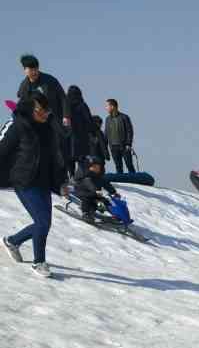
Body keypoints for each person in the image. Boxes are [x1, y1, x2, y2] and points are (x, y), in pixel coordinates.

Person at [1, 93, 67, 278]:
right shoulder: (17, 126)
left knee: (44, 223)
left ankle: (12, 241)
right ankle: (39, 262)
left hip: (44, 181)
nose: (45, 114)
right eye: (41, 110)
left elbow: (56, 158)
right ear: (30, 108)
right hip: (24, 181)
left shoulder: (48, 129)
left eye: (47, 110)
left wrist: (61, 181)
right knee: (43, 222)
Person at [17, 54, 70, 127]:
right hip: (37, 124)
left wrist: (66, 116)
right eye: (31, 70)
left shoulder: (50, 80)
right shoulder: (23, 87)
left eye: (36, 69)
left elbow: (62, 97)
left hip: (55, 119)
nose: (34, 72)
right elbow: (23, 106)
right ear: (25, 70)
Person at [72, 156, 119, 222]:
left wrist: (114, 192)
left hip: (95, 194)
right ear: (90, 167)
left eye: (98, 167)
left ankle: (115, 214)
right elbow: (89, 184)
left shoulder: (99, 177)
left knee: (104, 201)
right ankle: (86, 214)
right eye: (94, 167)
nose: (97, 168)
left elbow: (106, 184)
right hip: (82, 193)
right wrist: (96, 191)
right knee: (87, 199)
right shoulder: (86, 176)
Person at [65, 85, 97, 177]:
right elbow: (89, 120)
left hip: (68, 136)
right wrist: (93, 133)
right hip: (81, 136)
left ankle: (71, 175)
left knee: (69, 158)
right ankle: (81, 176)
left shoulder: (65, 105)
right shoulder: (82, 105)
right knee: (81, 158)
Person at [104, 98, 135, 174]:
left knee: (129, 165)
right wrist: (104, 146)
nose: (106, 108)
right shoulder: (107, 119)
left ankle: (135, 182)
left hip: (124, 146)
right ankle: (121, 183)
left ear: (112, 106)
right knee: (118, 166)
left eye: (107, 106)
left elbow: (129, 131)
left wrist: (128, 144)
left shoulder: (124, 117)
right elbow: (106, 133)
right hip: (113, 147)